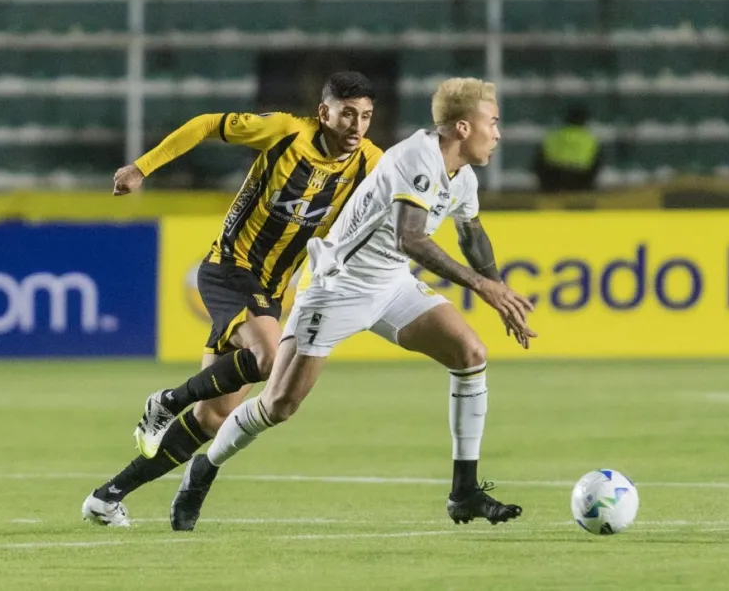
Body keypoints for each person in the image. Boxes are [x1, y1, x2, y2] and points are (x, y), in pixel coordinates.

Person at [148, 77, 536, 532]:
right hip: (337, 286)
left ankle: (464, 491)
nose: (499, 132)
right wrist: (483, 288)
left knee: (471, 355)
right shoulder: (417, 158)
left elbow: (471, 232)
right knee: (278, 406)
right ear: (465, 128)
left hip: (391, 284)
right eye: (493, 122)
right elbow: (409, 237)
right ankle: (204, 469)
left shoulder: (462, 176)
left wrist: (498, 290)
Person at [81, 71, 383, 527]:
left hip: (271, 292)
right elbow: (205, 123)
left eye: (365, 117)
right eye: (347, 115)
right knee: (269, 359)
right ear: (324, 113)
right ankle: (165, 401)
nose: (356, 127)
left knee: (213, 417)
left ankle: (107, 497)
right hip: (229, 268)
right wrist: (141, 167)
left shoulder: (370, 163)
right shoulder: (284, 132)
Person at [534, 105, 600, 192]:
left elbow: (539, 161)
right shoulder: (590, 139)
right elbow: (596, 164)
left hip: (555, 180)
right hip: (580, 180)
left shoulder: (553, 136)